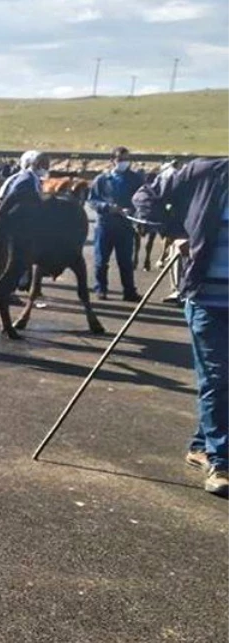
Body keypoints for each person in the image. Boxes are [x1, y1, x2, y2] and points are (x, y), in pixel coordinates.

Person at [133, 158, 229, 497]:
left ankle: (202, 444)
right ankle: (221, 461)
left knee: (222, 378)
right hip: (207, 297)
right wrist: (175, 232)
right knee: (217, 377)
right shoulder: (205, 172)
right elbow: (145, 196)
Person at [89, 146, 144, 302]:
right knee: (101, 260)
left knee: (125, 260)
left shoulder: (135, 179)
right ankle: (101, 289)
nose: (124, 163)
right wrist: (107, 207)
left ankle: (129, 291)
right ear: (113, 160)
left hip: (125, 225)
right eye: (120, 159)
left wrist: (133, 210)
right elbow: (92, 200)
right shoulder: (101, 179)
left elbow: (143, 198)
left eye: (126, 159)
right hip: (105, 224)